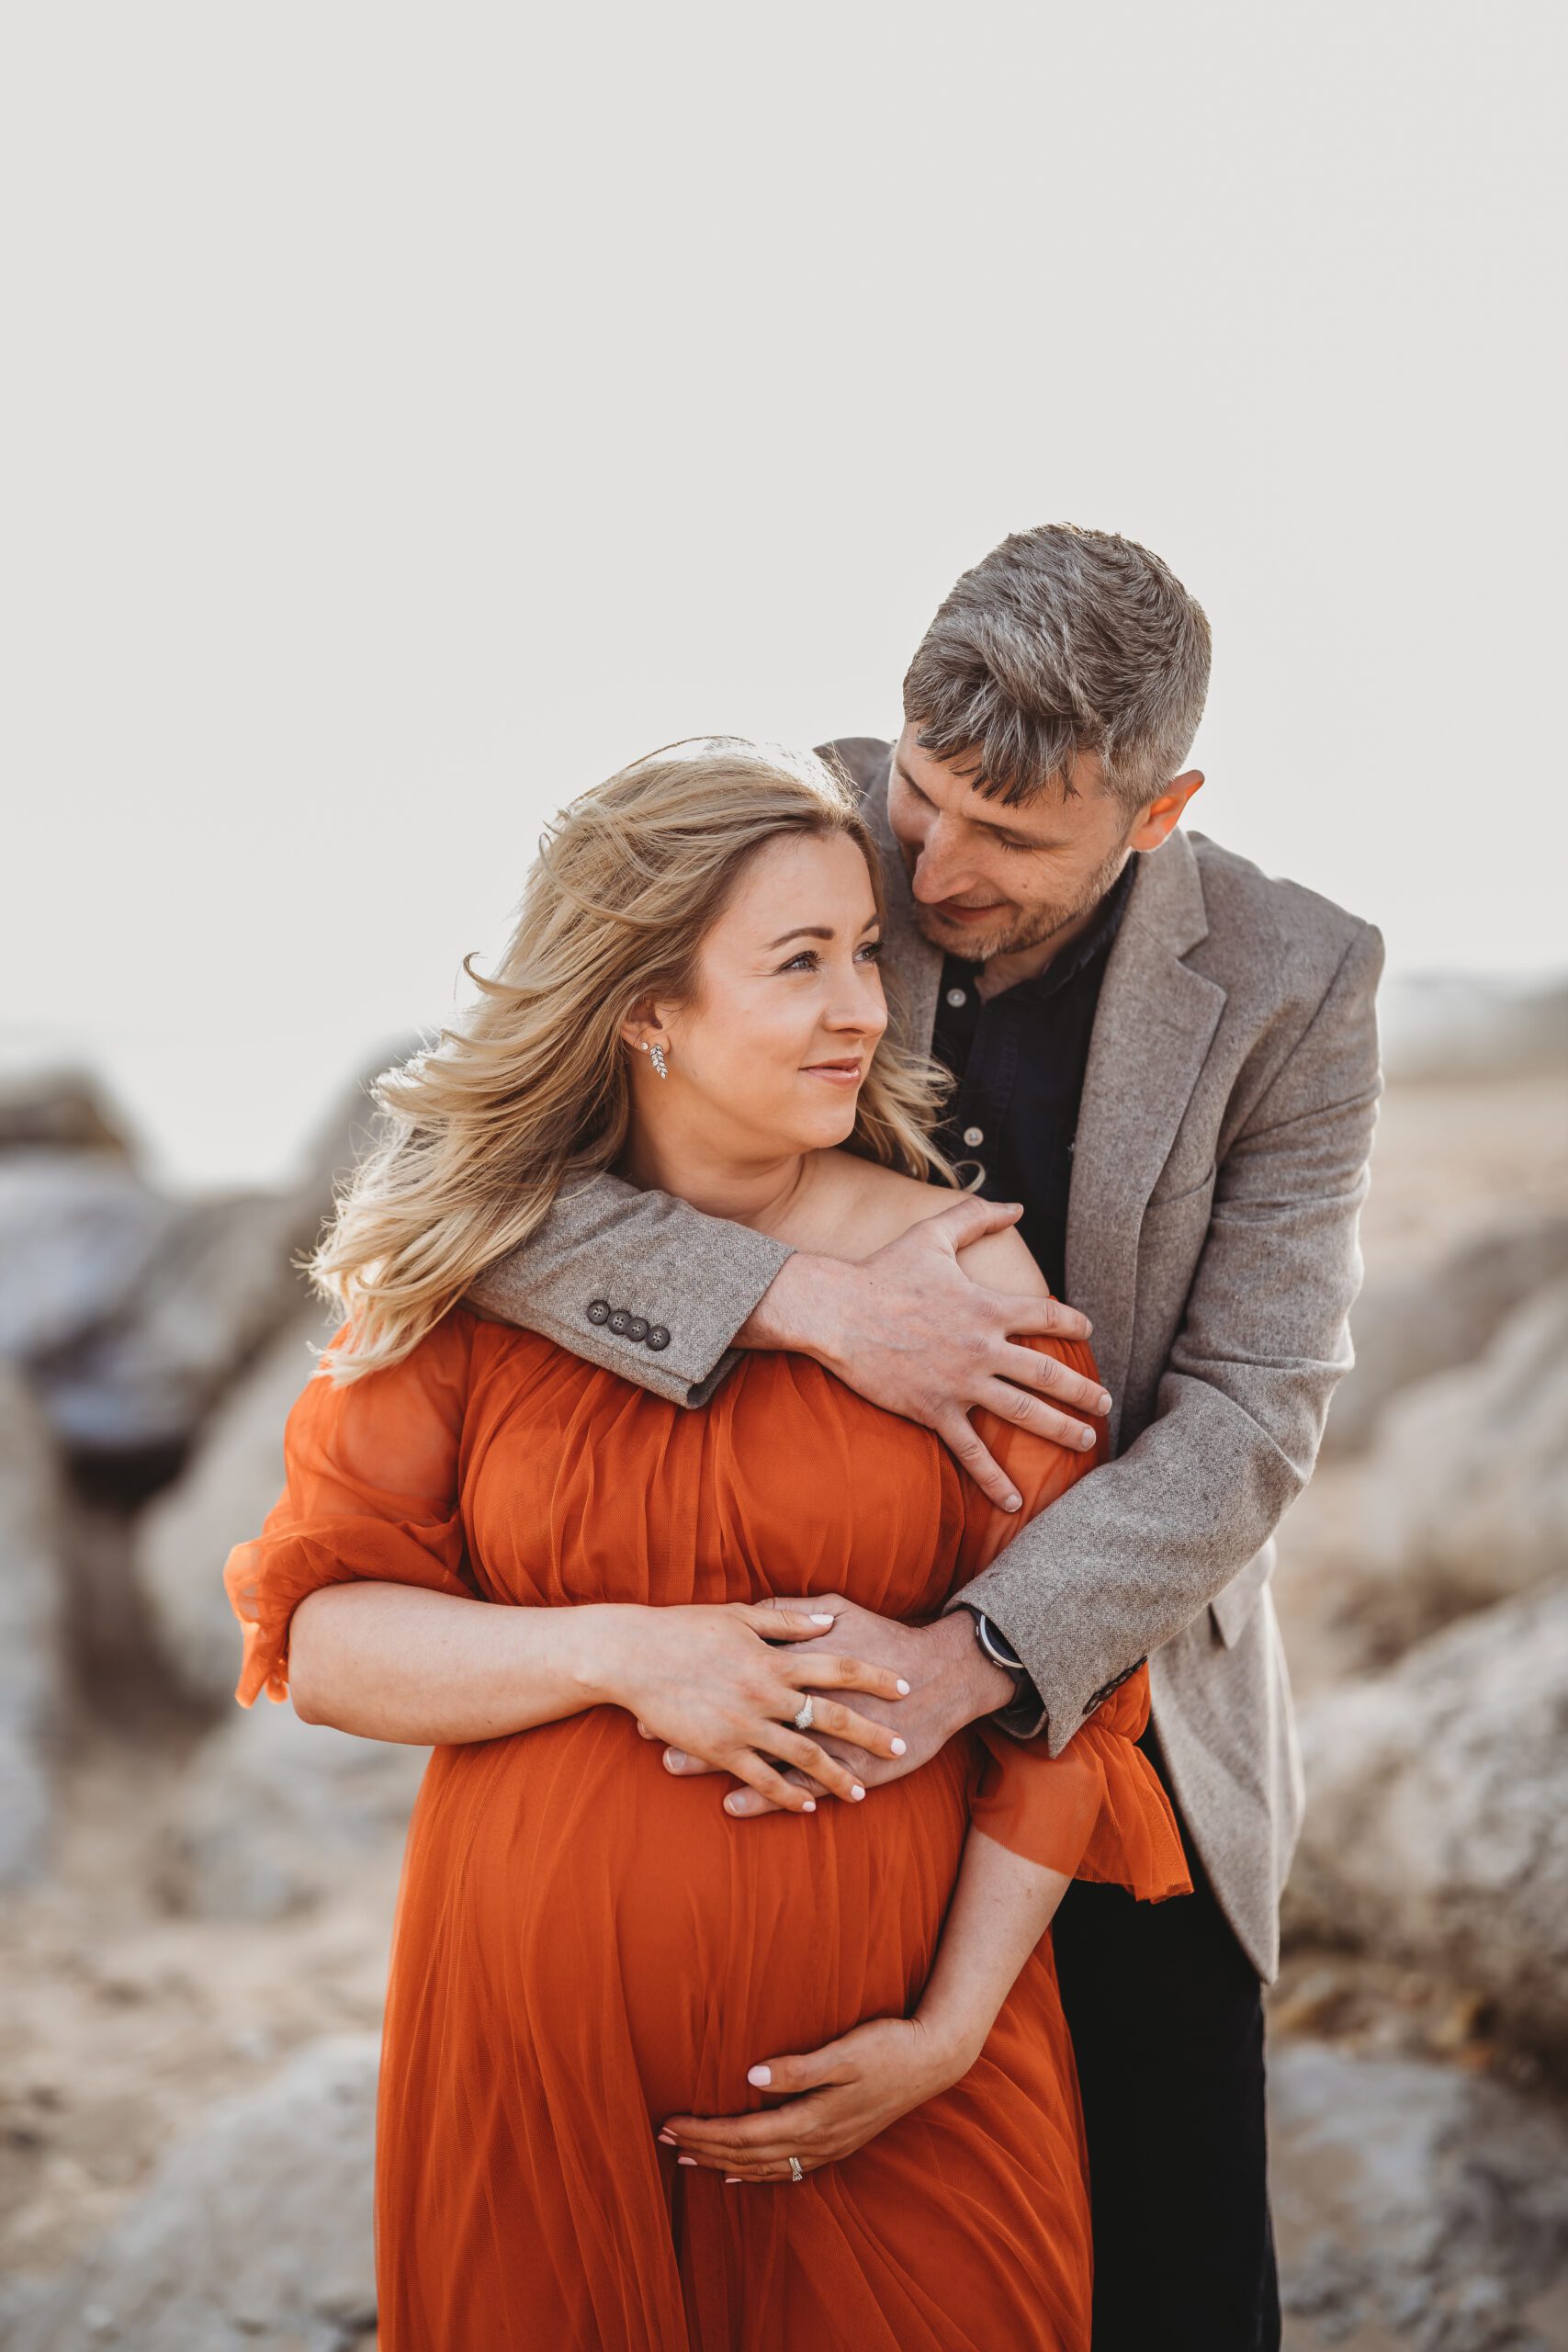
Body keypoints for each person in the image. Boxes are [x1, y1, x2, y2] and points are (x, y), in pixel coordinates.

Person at [464, 525, 1385, 2352]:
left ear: (1160, 804)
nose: (927, 867)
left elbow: (1248, 1421)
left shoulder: (1298, 976)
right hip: (764, 1680)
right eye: (923, 794)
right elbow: (493, 1185)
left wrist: (975, 1659)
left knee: (1172, 2274)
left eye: (1009, 836)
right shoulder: (774, 834)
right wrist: (809, 1303)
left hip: (1110, 1696)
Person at [223, 737, 1189, 2352]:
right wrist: (623, 1651)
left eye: (866, 954)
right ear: (644, 1007)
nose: (865, 1010)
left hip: (905, 2096)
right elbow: (321, 1639)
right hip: (532, 2090)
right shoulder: (480, 1276)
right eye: (798, 963)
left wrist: (949, 2034)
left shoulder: (966, 1289)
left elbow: (1079, 1695)